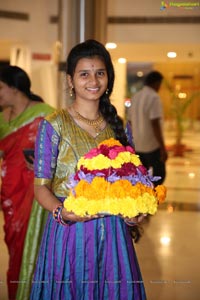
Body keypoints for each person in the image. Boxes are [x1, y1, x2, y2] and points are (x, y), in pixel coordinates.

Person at [30, 39, 147, 300]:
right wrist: (62, 213)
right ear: (70, 80)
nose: (93, 80)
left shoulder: (119, 126)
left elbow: (130, 184)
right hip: (70, 233)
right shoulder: (54, 124)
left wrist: (133, 212)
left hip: (114, 234)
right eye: (84, 74)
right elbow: (40, 186)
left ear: (108, 78)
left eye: (100, 73)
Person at [0, 65, 55, 300]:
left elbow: (61, 151)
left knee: (33, 243)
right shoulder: (2, 116)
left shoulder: (46, 114)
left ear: (14, 88)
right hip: (10, 188)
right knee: (13, 239)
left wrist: (46, 164)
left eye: (0, 87)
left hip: (36, 190)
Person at [127, 71, 168, 185]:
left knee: (141, 177)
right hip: (152, 146)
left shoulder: (135, 97)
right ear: (157, 83)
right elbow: (154, 122)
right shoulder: (154, 97)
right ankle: (152, 197)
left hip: (138, 145)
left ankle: (145, 197)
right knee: (159, 175)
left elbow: (129, 122)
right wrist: (162, 147)